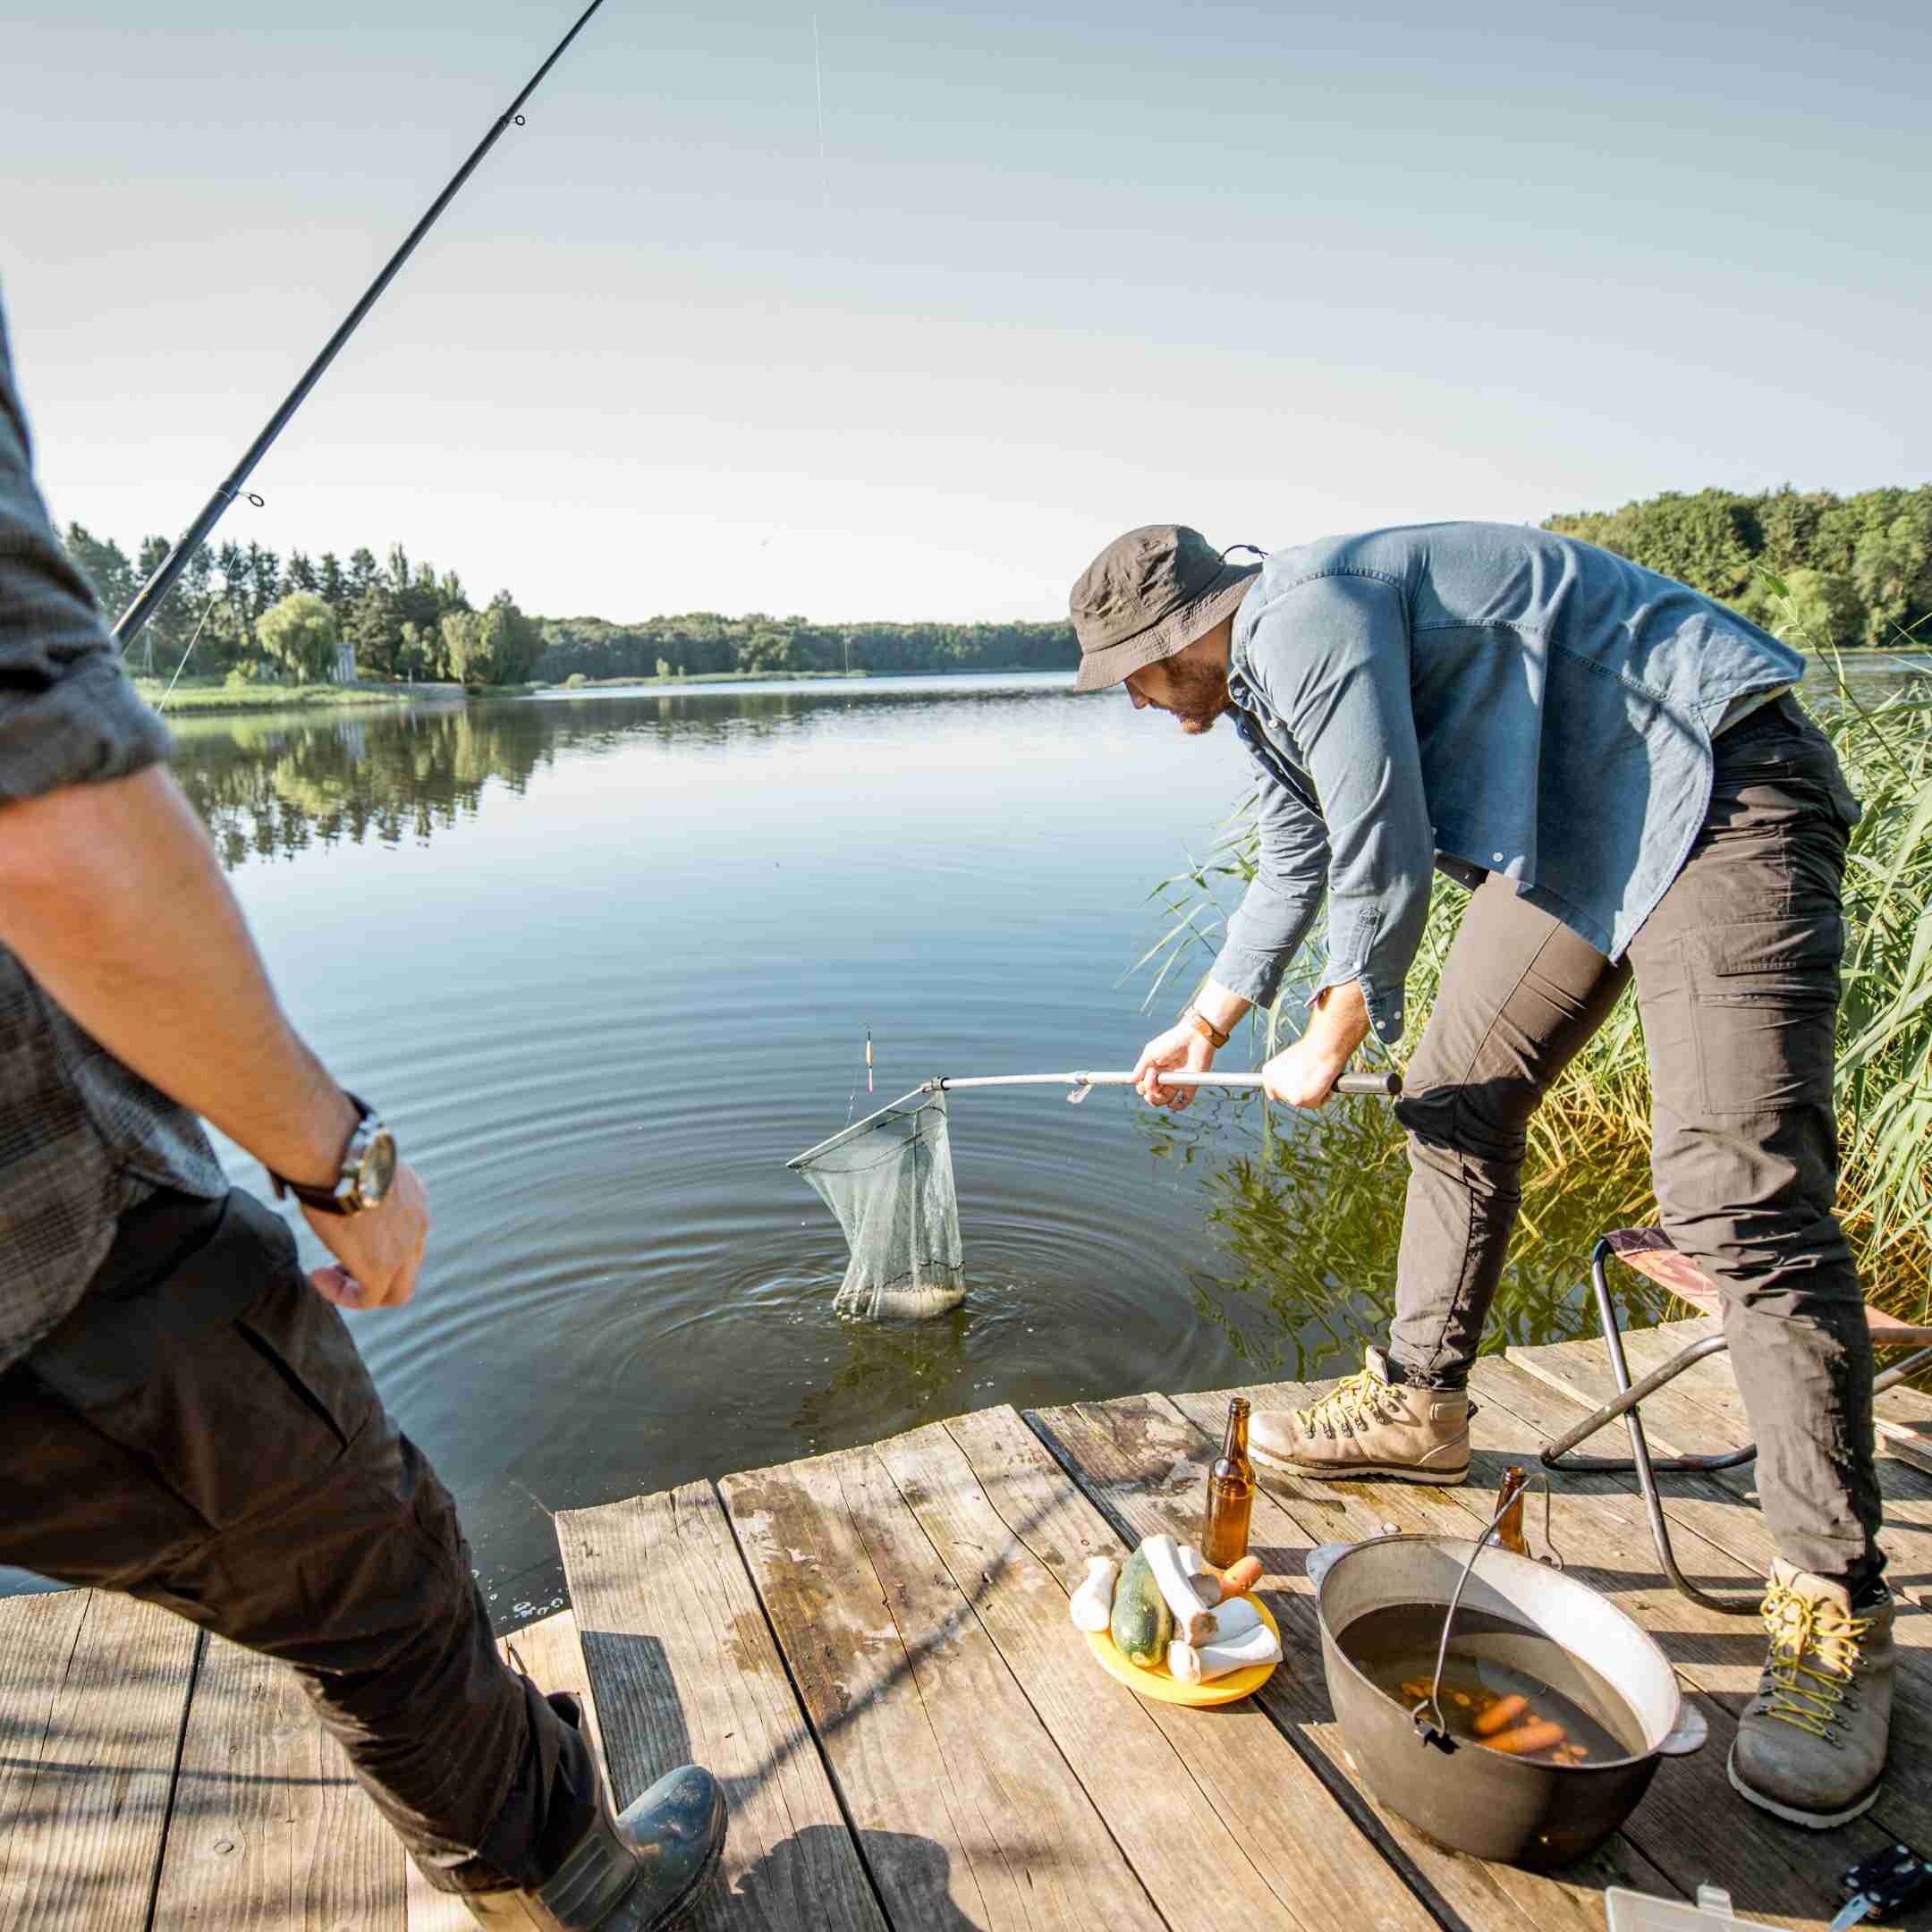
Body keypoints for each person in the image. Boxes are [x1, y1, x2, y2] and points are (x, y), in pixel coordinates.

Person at [0, 301, 724, 1929]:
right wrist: (344, 1157)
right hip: (49, 1252)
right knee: (376, 1565)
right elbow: (44, 808)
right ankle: (564, 1880)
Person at [1073, 520, 1892, 1830]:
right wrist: (1213, 1022)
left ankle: (1833, 1607)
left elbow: (1385, 827)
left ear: (1185, 633)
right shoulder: (1260, 697)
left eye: (1133, 672)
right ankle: (1418, 1405)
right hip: (1588, 825)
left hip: (1722, 782)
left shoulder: (1307, 613)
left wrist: (1338, 1025)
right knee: (1455, 1092)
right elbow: (1303, 857)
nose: (1132, 698)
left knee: (1736, 1197)